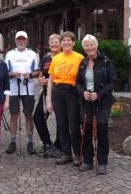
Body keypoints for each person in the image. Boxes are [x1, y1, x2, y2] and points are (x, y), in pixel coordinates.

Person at [76, 34, 116, 175]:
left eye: (91, 44)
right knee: (86, 131)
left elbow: (112, 82)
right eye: (87, 45)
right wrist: (83, 93)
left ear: (96, 46)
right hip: (87, 102)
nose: (89, 47)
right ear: (84, 48)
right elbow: (78, 83)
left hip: (102, 103)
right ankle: (88, 160)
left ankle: (102, 162)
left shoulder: (105, 62)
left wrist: (99, 94)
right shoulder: (83, 63)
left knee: (101, 131)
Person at [46, 31, 84, 166]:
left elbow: (83, 79)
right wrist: (48, 100)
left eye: (69, 40)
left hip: (72, 93)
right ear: (61, 43)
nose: (66, 42)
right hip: (58, 93)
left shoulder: (79, 58)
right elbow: (50, 80)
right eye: (64, 40)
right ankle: (66, 153)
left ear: (73, 42)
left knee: (74, 125)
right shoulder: (56, 58)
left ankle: (77, 154)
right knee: (61, 125)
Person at [4, 31, 39, 154]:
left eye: (23, 39)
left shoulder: (33, 54)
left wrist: (30, 74)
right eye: (18, 39)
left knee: (28, 114)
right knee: (14, 114)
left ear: (27, 40)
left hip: (28, 88)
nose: (21, 41)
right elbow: (5, 72)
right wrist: (12, 74)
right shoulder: (9, 55)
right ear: (15, 40)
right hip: (13, 88)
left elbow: (37, 72)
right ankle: (12, 141)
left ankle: (30, 141)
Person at [33, 34, 62, 157]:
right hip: (46, 93)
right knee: (37, 117)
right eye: (51, 42)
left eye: (56, 42)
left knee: (60, 121)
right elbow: (40, 73)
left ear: (60, 44)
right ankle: (47, 143)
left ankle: (59, 146)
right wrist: (40, 80)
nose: (53, 44)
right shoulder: (46, 57)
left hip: (60, 92)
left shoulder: (63, 57)